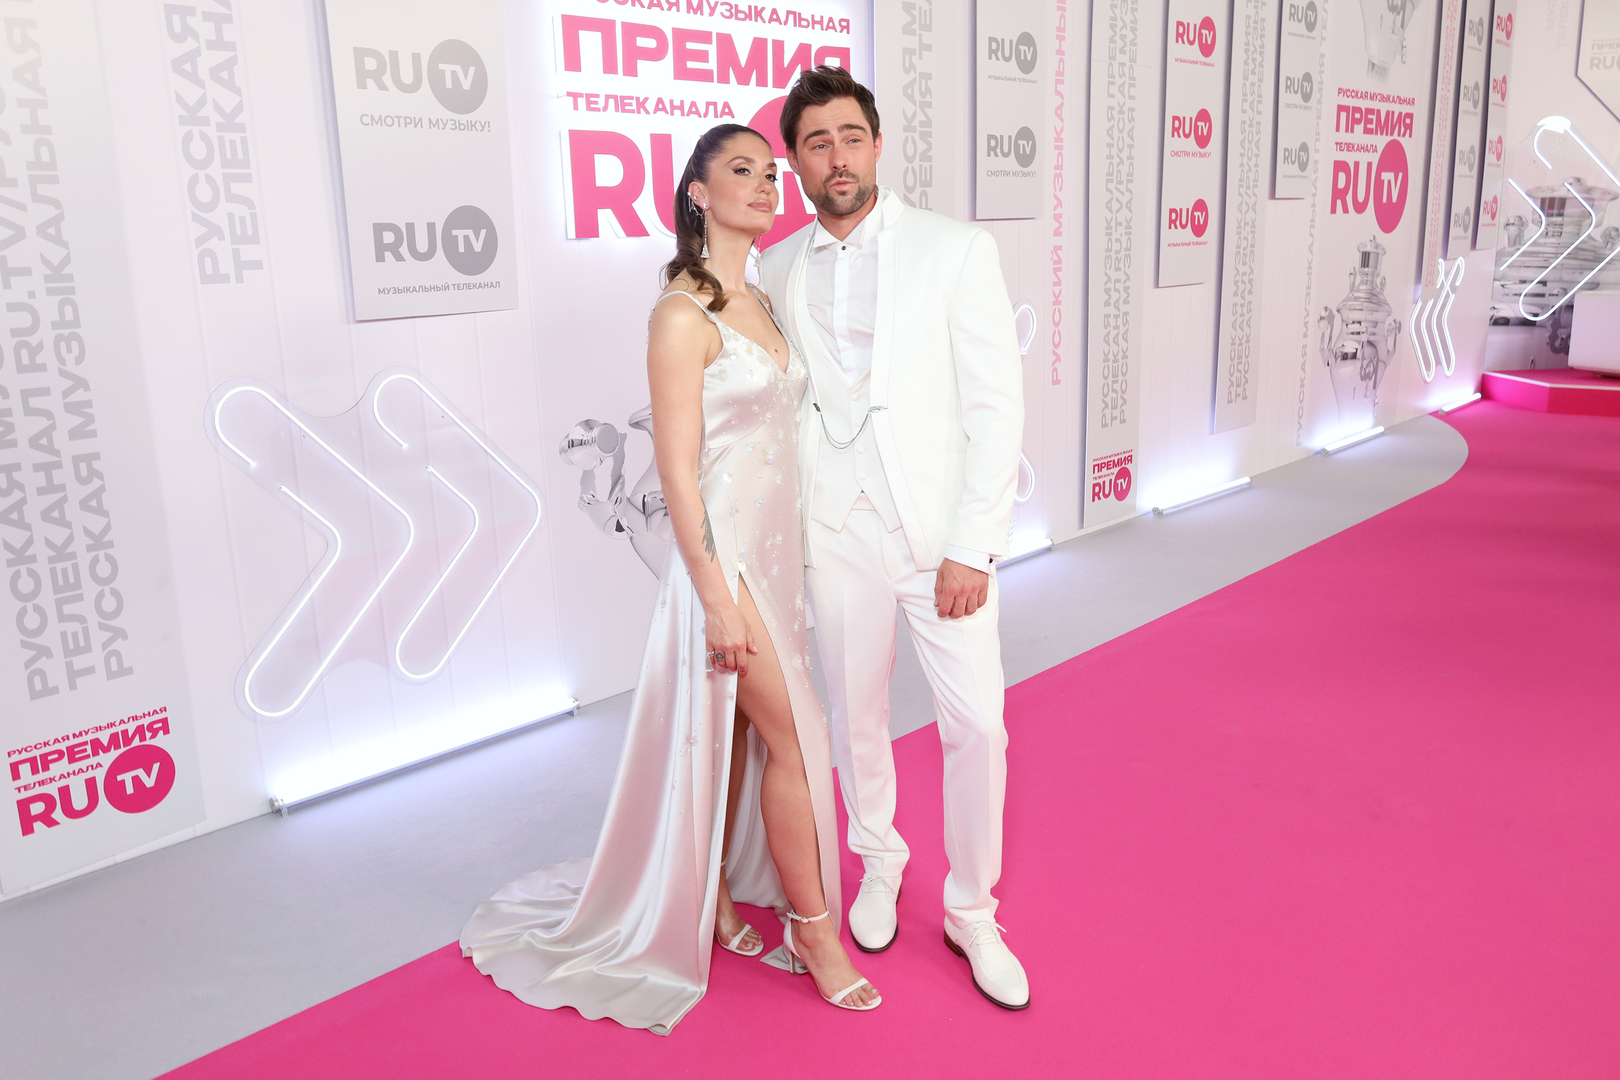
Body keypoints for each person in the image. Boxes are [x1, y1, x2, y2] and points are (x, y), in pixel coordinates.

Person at [460, 124, 880, 1034]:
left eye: (771, 174)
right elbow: (679, 474)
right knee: (800, 743)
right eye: (742, 171)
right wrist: (715, 596)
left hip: (779, 558)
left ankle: (715, 896)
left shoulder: (762, 301)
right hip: (726, 563)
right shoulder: (681, 315)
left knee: (737, 737)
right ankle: (815, 932)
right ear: (697, 192)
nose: (765, 185)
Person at [758, 67, 1030, 1010]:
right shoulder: (776, 269)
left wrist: (974, 544)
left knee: (978, 726)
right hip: (832, 531)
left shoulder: (955, 250)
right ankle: (879, 859)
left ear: (877, 146)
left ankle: (972, 909)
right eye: (816, 143)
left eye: (850, 137)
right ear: (796, 164)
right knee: (855, 716)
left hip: (938, 537)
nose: (836, 156)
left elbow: (996, 408)